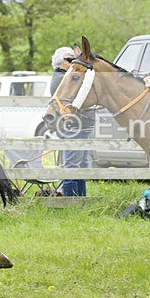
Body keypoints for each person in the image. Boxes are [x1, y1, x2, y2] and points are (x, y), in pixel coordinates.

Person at [50, 46, 93, 197]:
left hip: (79, 125)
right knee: (72, 164)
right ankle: (71, 199)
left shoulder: (65, 75)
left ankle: (81, 198)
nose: (72, 62)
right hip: (72, 125)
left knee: (81, 164)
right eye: (69, 59)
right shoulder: (62, 79)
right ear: (61, 62)